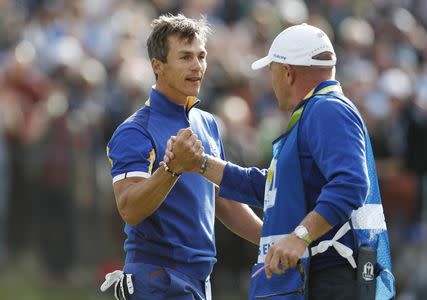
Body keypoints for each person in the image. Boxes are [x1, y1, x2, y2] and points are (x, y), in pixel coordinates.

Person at [165, 24, 395, 299]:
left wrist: (301, 236)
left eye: (271, 70)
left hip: (333, 279)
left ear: (288, 72)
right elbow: (276, 190)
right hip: (323, 278)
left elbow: (351, 184)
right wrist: (201, 164)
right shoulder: (318, 110)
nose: (270, 81)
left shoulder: (327, 109)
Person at [100, 14, 262, 300]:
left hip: (198, 278)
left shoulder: (207, 123)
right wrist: (171, 169)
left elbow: (224, 203)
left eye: (201, 56)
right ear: (157, 66)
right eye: (185, 57)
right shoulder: (135, 130)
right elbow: (130, 209)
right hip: (157, 280)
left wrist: (273, 242)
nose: (197, 66)